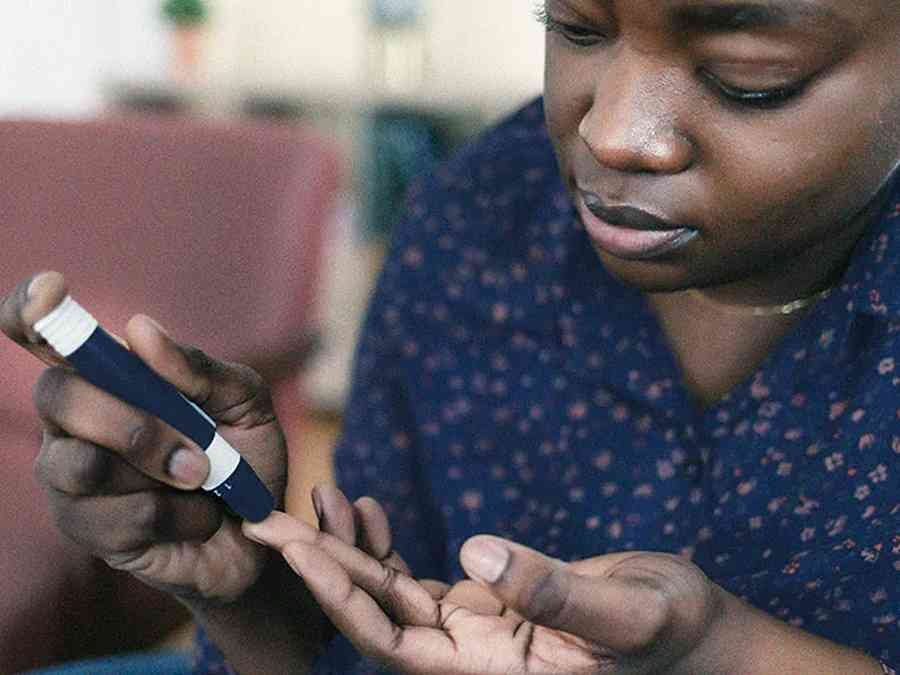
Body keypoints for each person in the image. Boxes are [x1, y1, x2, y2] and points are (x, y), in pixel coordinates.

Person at [2, 0, 898, 672]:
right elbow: (392, 624)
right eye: (577, 27)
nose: (613, 133)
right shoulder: (476, 223)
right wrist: (263, 597)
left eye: (751, 77)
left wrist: (720, 652)